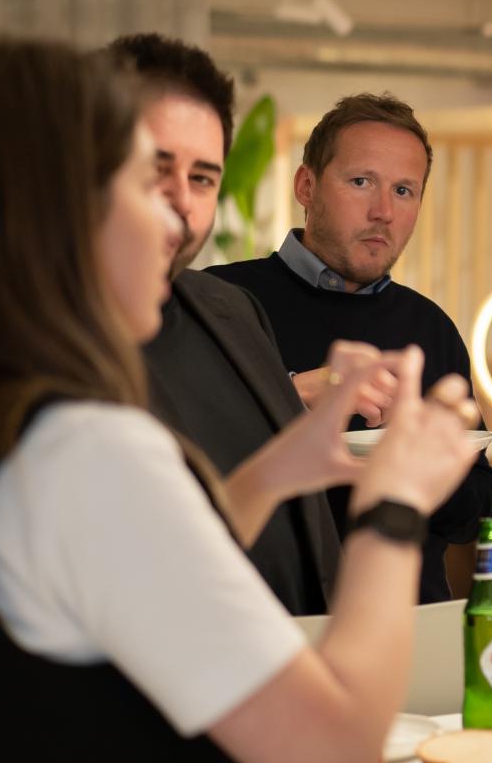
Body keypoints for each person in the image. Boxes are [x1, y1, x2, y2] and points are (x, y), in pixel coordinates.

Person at [0, 40, 484, 763]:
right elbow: (336, 755)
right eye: (135, 181)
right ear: (43, 209)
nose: (172, 218)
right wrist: (393, 506)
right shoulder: (76, 452)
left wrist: (279, 467)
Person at [210, 92, 492, 602]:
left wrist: (430, 463)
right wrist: (290, 395)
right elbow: (180, 466)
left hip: (407, 623)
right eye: (361, 182)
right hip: (265, 621)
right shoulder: (220, 302)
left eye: (404, 190)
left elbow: (478, 513)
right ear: (306, 185)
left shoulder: (431, 328)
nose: (384, 211)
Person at [109, 33, 342, 615]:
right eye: (156, 169)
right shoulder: (45, 350)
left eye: (203, 178)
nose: (181, 203)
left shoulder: (231, 309)